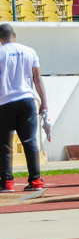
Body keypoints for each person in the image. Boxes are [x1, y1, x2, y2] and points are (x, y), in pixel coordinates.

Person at [0, 24, 47, 191]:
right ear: (14, 35)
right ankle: (35, 181)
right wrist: (44, 103)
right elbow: (38, 79)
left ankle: (7, 182)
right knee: (30, 142)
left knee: (4, 145)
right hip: (26, 100)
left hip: (4, 102)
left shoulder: (1, 53)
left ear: (0, 39)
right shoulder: (30, 51)